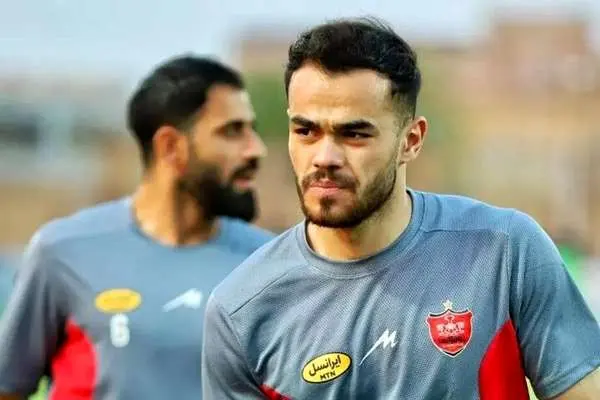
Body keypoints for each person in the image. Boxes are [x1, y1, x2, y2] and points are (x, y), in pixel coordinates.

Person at [201, 18, 600, 400]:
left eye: (354, 134)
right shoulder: (241, 312)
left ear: (411, 140)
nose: (324, 157)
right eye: (305, 131)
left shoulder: (506, 252)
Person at [0, 55, 274, 399]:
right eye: (232, 131)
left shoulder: (270, 266)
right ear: (171, 146)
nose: (256, 150)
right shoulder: (62, 251)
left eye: (251, 130)